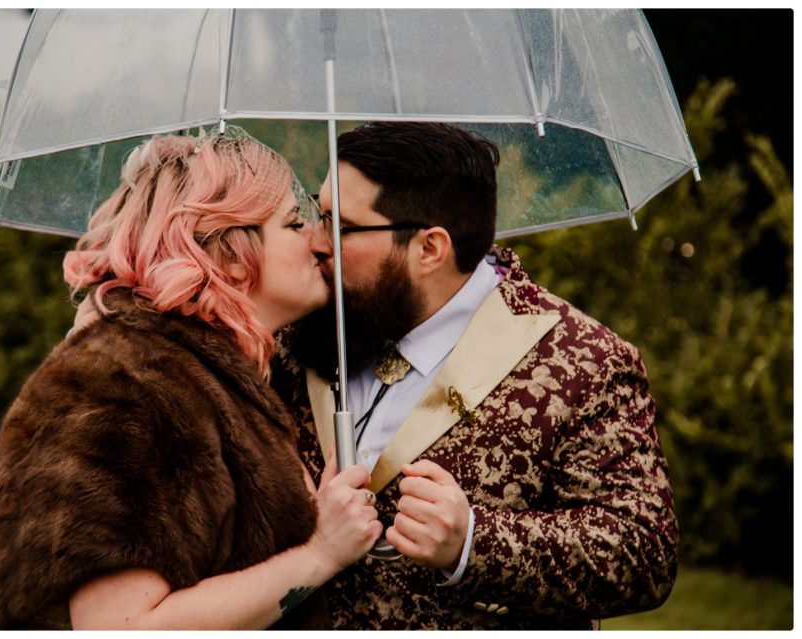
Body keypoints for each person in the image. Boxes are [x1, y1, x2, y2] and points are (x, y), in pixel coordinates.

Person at [0, 129, 383, 630]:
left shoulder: (195, 370)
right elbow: (121, 626)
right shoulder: (127, 386)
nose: (319, 242)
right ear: (227, 250)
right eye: (294, 223)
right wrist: (319, 555)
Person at [274, 122, 679, 630]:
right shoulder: (292, 335)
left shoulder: (583, 360)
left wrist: (472, 541)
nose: (315, 241)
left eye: (340, 227)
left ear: (429, 249)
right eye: (317, 211)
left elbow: (645, 550)